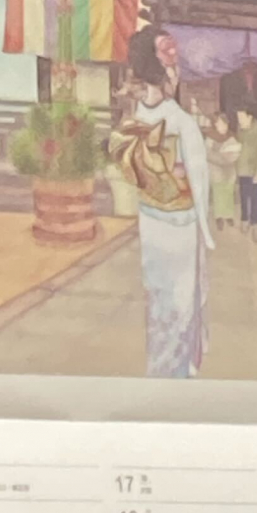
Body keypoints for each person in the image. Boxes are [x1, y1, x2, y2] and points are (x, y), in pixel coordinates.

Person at [108, 28, 213, 378]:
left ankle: (160, 367)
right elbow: (198, 180)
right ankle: (177, 371)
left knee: (158, 299)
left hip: (151, 219)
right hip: (181, 223)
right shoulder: (182, 123)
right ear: (165, 73)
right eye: (172, 64)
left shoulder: (133, 122)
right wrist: (205, 229)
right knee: (181, 300)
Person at [234, 104, 257, 238]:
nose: (240, 120)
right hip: (242, 170)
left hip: (255, 171)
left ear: (250, 117)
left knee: (255, 198)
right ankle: (244, 220)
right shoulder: (240, 131)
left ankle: (255, 224)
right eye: (238, 118)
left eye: (242, 117)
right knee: (244, 197)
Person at [208, 114, 241, 232]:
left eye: (225, 124)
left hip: (229, 168)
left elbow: (237, 150)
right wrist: (221, 159)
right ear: (215, 125)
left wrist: (233, 155)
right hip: (216, 168)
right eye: (220, 124)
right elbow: (208, 153)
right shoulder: (211, 137)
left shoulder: (231, 136)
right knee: (219, 193)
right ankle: (219, 217)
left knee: (228, 192)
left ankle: (228, 215)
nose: (223, 127)